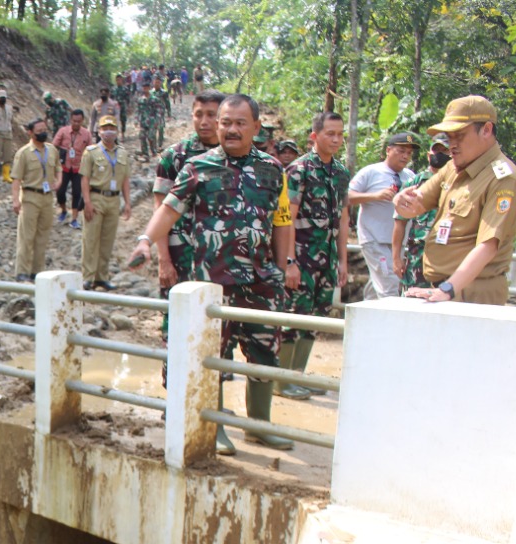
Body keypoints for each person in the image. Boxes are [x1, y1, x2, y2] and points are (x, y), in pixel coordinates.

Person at [128, 93, 296, 455]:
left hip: (261, 282)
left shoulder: (273, 169)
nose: (231, 130)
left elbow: (283, 222)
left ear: (255, 127)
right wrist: (146, 241)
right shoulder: (197, 167)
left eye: (239, 123)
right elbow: (169, 209)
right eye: (225, 123)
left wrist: (283, 269)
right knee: (213, 354)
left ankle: (258, 427)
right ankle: (216, 426)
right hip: (212, 281)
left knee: (264, 352)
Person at [396, 96, 516, 305]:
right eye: (449, 137)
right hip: (444, 290)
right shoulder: (453, 168)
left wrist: (449, 289)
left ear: (486, 130)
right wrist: (401, 201)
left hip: (473, 294)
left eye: (460, 136)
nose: (452, 145)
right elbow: (416, 205)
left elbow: (489, 245)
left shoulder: (503, 178)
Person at [277, 111, 350, 400]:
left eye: (340, 134)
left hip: (327, 258)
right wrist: (290, 262)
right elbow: (287, 219)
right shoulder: (299, 169)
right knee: (294, 317)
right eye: (330, 133)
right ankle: (281, 381)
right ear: (314, 136)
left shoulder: (341, 173)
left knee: (316, 317)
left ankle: (298, 376)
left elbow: (343, 219)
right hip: (302, 258)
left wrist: (342, 260)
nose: (336, 139)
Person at [153, 88, 226, 369]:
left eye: (212, 115)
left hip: (221, 260)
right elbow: (161, 211)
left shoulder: (235, 156)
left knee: (216, 328)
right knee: (176, 326)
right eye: (199, 114)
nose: (204, 121)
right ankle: (173, 404)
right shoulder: (174, 156)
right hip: (181, 257)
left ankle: (209, 404)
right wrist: (163, 260)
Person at [348, 132, 417, 300]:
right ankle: (391, 325)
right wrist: (375, 196)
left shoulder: (410, 177)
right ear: (388, 150)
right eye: (401, 151)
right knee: (390, 287)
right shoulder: (371, 172)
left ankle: (363, 321)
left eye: (409, 153)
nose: (405, 156)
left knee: (377, 286)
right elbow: (345, 197)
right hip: (374, 239)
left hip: (397, 243)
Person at [79, 115, 132, 291]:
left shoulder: (122, 153)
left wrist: (128, 202)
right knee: (91, 238)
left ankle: (102, 277)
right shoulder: (91, 152)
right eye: (104, 128)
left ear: (117, 131)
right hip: (96, 197)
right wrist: (87, 202)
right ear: (99, 131)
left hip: (114, 199)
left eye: (112, 128)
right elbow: (84, 178)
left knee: (107, 240)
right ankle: (87, 277)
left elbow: (125, 179)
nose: (108, 131)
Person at [392, 135, 450, 292]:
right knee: (412, 302)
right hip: (417, 256)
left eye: (445, 150)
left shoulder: (457, 184)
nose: (440, 154)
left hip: (447, 255)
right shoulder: (414, 184)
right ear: (429, 154)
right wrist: (396, 258)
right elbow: (400, 222)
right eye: (437, 150)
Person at [11, 117, 62, 281]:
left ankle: (37, 271)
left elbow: (59, 169)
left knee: (42, 236)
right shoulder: (23, 153)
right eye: (39, 131)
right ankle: (22, 272)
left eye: (45, 130)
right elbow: (16, 179)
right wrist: (15, 200)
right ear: (30, 133)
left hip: (47, 198)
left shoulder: (52, 150)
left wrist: (59, 180)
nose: (43, 134)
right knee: (27, 236)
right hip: (30, 197)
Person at [52, 108, 90, 230]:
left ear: (82, 121)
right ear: (70, 120)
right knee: (60, 191)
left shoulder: (86, 134)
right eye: (74, 121)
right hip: (64, 167)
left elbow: (91, 151)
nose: (76, 124)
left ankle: (74, 218)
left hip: (79, 169)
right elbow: (53, 146)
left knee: (77, 193)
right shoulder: (63, 131)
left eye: (79, 121)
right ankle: (63, 210)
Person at [134, 81, 159, 159]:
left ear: (149, 88)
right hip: (143, 121)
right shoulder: (140, 99)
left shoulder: (154, 99)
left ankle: (154, 151)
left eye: (146, 88)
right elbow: (138, 110)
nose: (145, 90)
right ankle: (145, 153)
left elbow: (158, 110)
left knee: (151, 137)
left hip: (152, 121)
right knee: (142, 136)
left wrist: (157, 121)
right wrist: (136, 120)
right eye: (144, 88)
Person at [153, 76, 172, 147]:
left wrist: (169, 114)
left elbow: (168, 104)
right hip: (152, 114)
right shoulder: (151, 92)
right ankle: (154, 146)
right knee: (153, 131)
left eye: (158, 82)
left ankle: (160, 145)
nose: (157, 83)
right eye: (155, 82)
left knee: (160, 129)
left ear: (160, 83)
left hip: (161, 113)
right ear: (153, 82)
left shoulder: (164, 93)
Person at [112, 74, 132, 142]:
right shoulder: (113, 89)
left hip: (122, 106)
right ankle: (115, 135)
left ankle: (123, 134)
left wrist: (129, 107)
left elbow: (128, 99)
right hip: (115, 107)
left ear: (122, 80)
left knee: (123, 120)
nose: (118, 81)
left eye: (119, 80)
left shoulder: (125, 89)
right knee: (115, 121)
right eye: (117, 80)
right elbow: (111, 99)